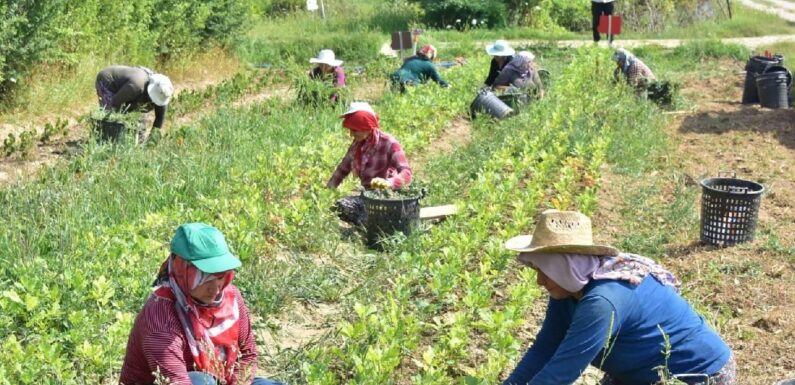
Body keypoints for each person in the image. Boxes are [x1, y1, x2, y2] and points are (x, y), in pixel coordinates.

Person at [502, 210, 735, 385]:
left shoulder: (603, 301)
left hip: (698, 375)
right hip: (638, 374)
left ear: (566, 266)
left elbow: (563, 371)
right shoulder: (568, 289)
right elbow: (544, 349)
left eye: (545, 271)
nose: (540, 281)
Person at [120, 223, 285, 385]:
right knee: (201, 380)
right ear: (180, 269)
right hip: (182, 381)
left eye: (220, 276)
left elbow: (248, 355)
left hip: (221, 380)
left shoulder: (231, 298)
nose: (215, 288)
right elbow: (177, 382)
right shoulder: (160, 317)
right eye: (205, 278)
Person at [326, 102, 412, 225]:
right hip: (369, 197)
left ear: (366, 127)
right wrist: (327, 191)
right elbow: (342, 170)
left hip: (389, 198)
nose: (351, 134)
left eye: (355, 130)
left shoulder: (389, 143)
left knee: (375, 217)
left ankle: (375, 223)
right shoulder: (357, 145)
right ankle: (371, 222)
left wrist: (388, 183)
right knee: (340, 206)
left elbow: (407, 173)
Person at [95, 65, 173, 142]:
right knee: (112, 117)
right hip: (108, 81)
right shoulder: (136, 86)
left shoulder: (163, 93)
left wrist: (151, 140)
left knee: (139, 123)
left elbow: (160, 118)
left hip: (131, 90)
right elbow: (114, 103)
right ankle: (105, 139)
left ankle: (136, 141)